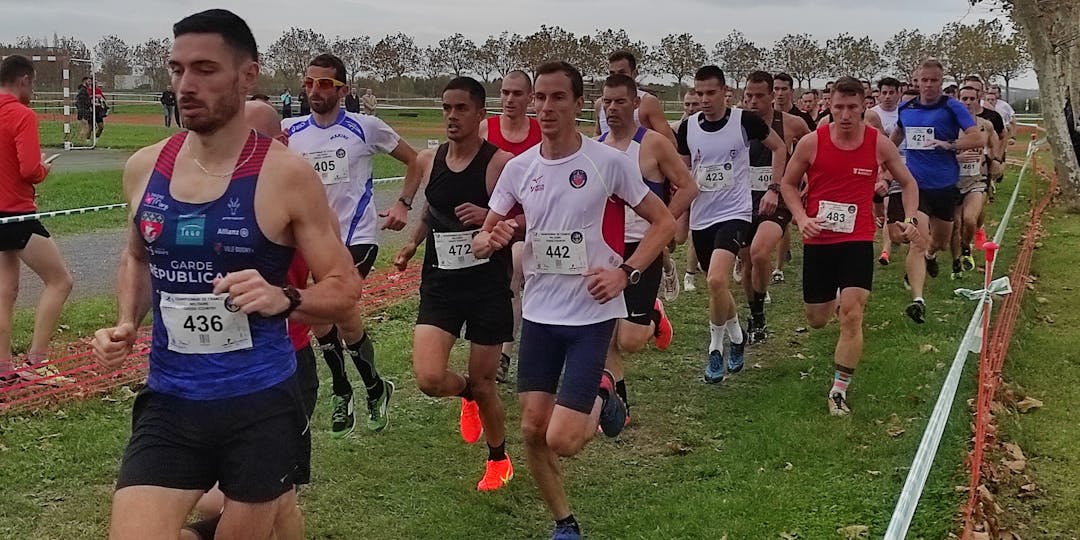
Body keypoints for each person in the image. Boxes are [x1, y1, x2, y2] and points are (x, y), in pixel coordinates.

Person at [90, 10, 362, 539]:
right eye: (176, 70)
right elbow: (138, 258)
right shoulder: (144, 167)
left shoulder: (285, 174)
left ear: (247, 75)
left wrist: (285, 298)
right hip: (170, 398)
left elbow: (345, 286)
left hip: (259, 401)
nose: (186, 86)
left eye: (205, 69)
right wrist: (126, 320)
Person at [471, 61, 675, 540]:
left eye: (557, 98)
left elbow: (662, 223)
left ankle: (605, 386)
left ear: (578, 103)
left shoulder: (608, 164)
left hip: (591, 314)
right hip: (540, 315)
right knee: (531, 429)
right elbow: (482, 240)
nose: (545, 107)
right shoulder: (519, 169)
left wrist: (626, 273)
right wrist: (492, 238)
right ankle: (565, 523)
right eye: (539, 97)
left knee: (563, 439)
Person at [283, 53, 420, 437]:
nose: (315, 90)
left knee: (324, 310)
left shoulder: (366, 127)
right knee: (333, 318)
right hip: (308, 244)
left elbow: (416, 161)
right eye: (309, 83)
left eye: (325, 83)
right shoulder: (290, 132)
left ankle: (343, 389)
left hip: (355, 237)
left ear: (342, 89)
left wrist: (403, 204)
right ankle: (372, 386)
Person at [393, 76, 517, 492]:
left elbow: (527, 218)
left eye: (461, 108)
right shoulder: (431, 159)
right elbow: (431, 210)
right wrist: (410, 243)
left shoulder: (499, 164)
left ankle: (498, 459)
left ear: (481, 114)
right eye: (446, 107)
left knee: (487, 382)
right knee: (429, 378)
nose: (451, 115)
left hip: (487, 286)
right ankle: (464, 393)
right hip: (441, 282)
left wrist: (490, 218)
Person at [779, 77, 921, 415]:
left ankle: (838, 390)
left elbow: (908, 182)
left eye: (852, 108)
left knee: (853, 314)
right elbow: (787, 184)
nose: (844, 115)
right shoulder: (812, 143)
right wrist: (801, 217)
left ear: (863, 107)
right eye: (838, 107)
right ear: (829, 105)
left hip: (857, 238)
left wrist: (911, 220)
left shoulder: (877, 143)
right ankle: (834, 303)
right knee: (817, 318)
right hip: (820, 239)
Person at [675, 65, 787, 384]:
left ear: (726, 92)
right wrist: (680, 218)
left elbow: (780, 148)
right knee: (719, 285)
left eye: (711, 93)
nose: (705, 99)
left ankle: (715, 349)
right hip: (702, 217)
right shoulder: (687, 128)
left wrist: (774, 188)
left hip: (736, 213)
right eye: (699, 93)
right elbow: (684, 178)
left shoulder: (744, 121)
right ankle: (737, 335)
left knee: (713, 280)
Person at [598, 73, 696, 425]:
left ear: (636, 104)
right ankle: (619, 407)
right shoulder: (596, 148)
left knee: (631, 339)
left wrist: (663, 222)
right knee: (606, 330)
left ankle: (654, 314)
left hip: (645, 247)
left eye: (620, 101)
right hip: (607, 249)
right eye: (607, 102)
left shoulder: (653, 144)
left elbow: (687, 186)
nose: (612, 108)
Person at [0, 54, 74, 386]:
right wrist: (43, 169)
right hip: (15, 213)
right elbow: (30, 169)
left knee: (6, 290)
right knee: (60, 281)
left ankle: (4, 370)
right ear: (24, 80)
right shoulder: (21, 114)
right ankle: (37, 362)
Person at [891, 58, 981, 324]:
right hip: (915, 186)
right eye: (924, 80)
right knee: (917, 239)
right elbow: (895, 138)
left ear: (941, 82)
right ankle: (918, 300)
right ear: (917, 80)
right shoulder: (906, 108)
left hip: (944, 185)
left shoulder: (951, 107)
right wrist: (881, 161)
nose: (929, 85)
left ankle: (931, 256)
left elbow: (977, 137)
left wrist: (950, 144)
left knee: (939, 241)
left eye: (934, 81)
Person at [478, 70, 542, 384]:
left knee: (516, 270)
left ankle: (505, 354)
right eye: (504, 93)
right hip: (495, 223)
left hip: (537, 225)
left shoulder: (542, 132)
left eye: (517, 94)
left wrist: (524, 220)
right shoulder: (485, 130)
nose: (509, 100)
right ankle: (501, 352)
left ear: (530, 98)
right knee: (508, 283)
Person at [741, 71, 809, 343]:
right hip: (743, 200)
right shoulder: (737, 122)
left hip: (778, 198)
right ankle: (756, 314)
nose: (753, 101)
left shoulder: (792, 124)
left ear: (772, 96)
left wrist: (806, 187)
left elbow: (815, 153)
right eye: (749, 96)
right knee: (747, 261)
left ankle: (757, 316)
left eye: (759, 96)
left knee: (759, 253)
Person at [951, 86, 1000, 280]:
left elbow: (994, 142)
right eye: (964, 99)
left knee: (970, 220)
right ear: (958, 100)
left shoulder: (985, 125)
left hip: (976, 180)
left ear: (978, 100)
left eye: (972, 98)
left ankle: (966, 247)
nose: (968, 102)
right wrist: (957, 158)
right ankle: (956, 262)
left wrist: (995, 160)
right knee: (955, 224)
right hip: (952, 182)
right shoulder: (950, 125)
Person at [594, 51, 676, 147]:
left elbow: (670, 142)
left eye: (622, 72)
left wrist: (648, 157)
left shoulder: (648, 102)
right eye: (612, 73)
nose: (617, 77)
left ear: (634, 73)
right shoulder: (600, 103)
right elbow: (598, 134)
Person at [871, 77, 903, 266]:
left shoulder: (905, 114)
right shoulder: (872, 114)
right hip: (876, 166)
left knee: (889, 203)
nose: (888, 96)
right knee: (881, 210)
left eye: (892, 92)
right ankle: (886, 226)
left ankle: (885, 251)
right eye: (884, 92)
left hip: (899, 166)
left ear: (899, 93)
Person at [674, 90, 703, 293]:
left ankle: (689, 274)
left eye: (695, 104)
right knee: (678, 237)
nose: (691, 109)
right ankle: (669, 266)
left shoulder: (709, 128)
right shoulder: (676, 128)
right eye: (687, 105)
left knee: (695, 232)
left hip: (706, 189)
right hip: (683, 187)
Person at [76, 77, 93, 141]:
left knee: (85, 127)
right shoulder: (82, 90)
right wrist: (88, 106)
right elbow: (81, 101)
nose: (90, 83)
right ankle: (81, 140)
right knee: (84, 127)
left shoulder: (85, 90)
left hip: (84, 110)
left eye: (90, 81)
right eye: (88, 81)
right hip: (83, 111)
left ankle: (82, 140)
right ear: (84, 82)